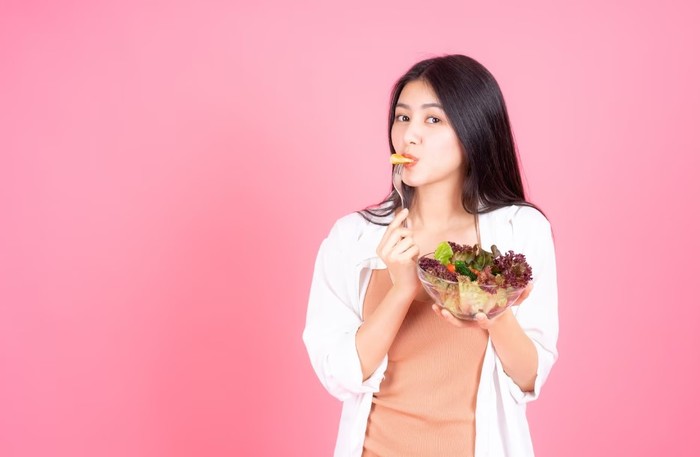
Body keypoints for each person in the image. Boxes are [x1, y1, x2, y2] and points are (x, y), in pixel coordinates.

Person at [302, 54, 559, 457]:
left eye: (433, 120)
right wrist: (401, 291)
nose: (410, 135)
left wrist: (494, 312)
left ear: (473, 131)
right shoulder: (352, 237)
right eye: (403, 117)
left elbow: (529, 377)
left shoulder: (520, 231)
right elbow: (340, 375)